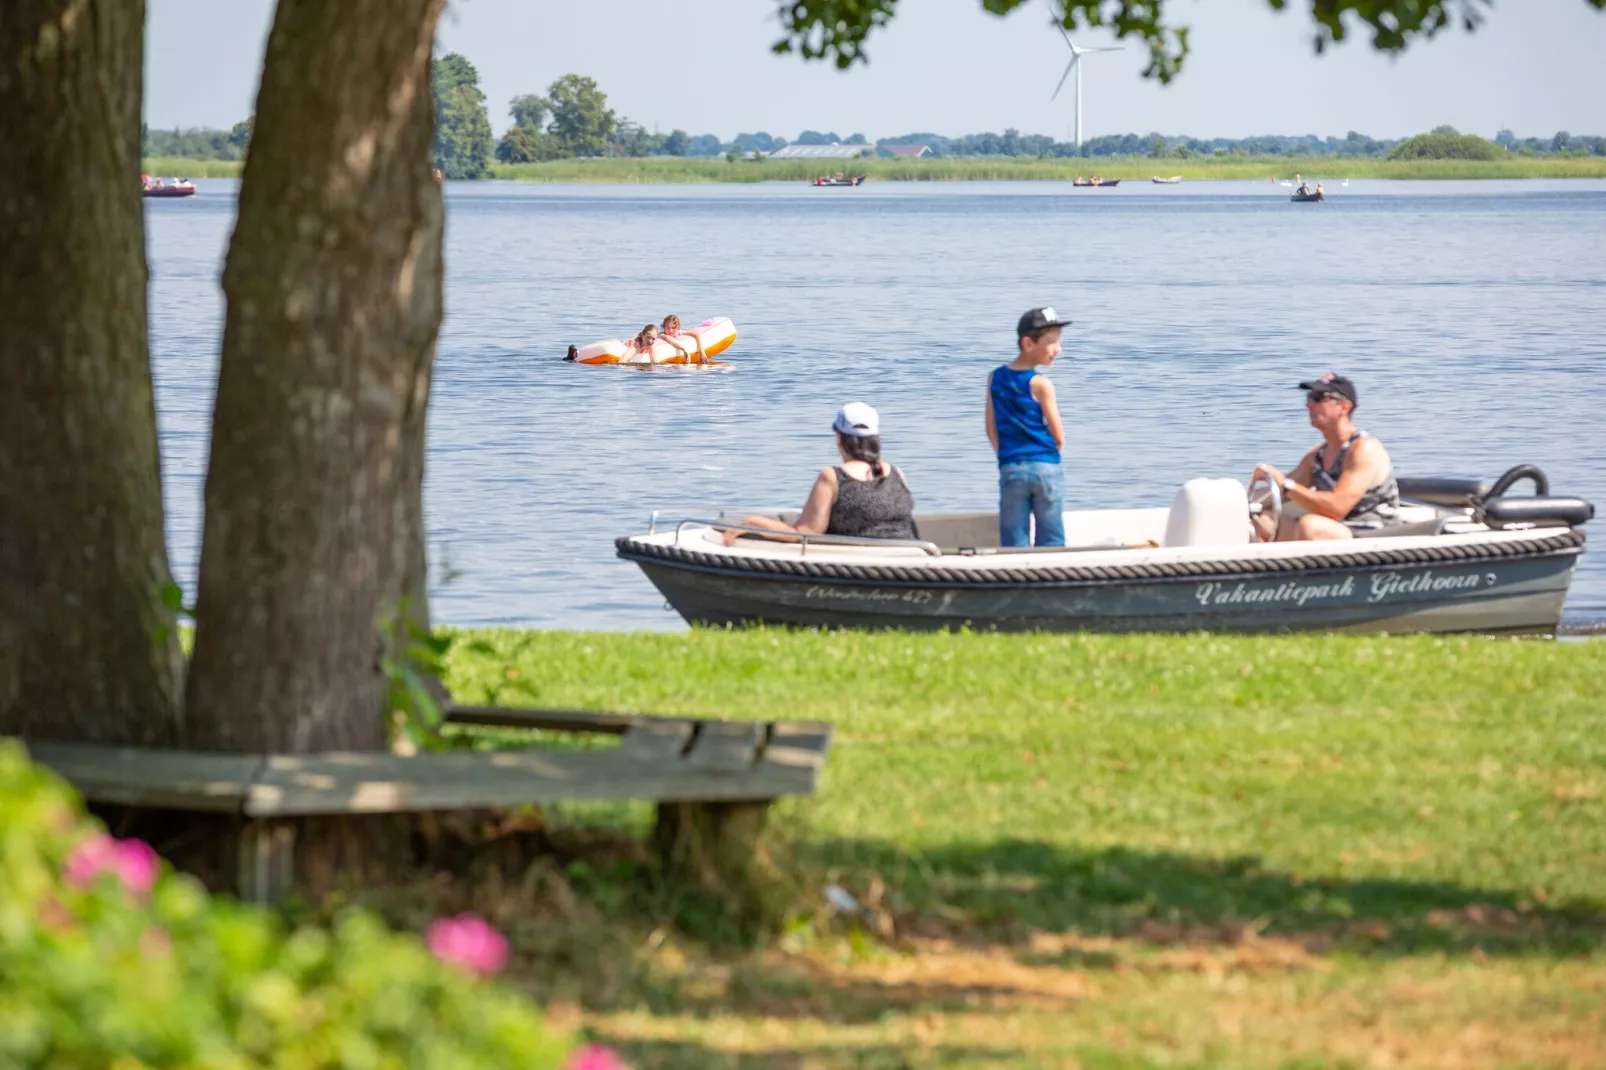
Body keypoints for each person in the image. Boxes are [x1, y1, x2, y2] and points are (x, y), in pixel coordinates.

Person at [722, 403, 916, 545]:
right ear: (876, 439)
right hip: (910, 559)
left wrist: (752, 522)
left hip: (859, 565)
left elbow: (803, 533)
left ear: (839, 439)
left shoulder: (833, 477)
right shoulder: (896, 473)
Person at [1250, 373, 1401, 542]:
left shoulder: (1364, 449)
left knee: (1311, 527)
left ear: (1344, 407)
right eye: (1309, 397)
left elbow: (1337, 507)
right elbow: (1275, 493)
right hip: (1337, 532)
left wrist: (1285, 484)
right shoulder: (1317, 456)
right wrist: (1235, 502)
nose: (1308, 405)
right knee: (1258, 519)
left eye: (1318, 398)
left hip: (1375, 536)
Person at [986, 307, 1071, 547]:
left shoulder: (995, 378)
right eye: (1052, 342)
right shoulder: (1041, 384)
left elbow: (991, 429)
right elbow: (1059, 436)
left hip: (1011, 467)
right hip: (1046, 467)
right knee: (1052, 538)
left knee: (1013, 540)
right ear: (1028, 343)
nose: (1058, 349)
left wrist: (1007, 458)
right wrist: (1050, 462)